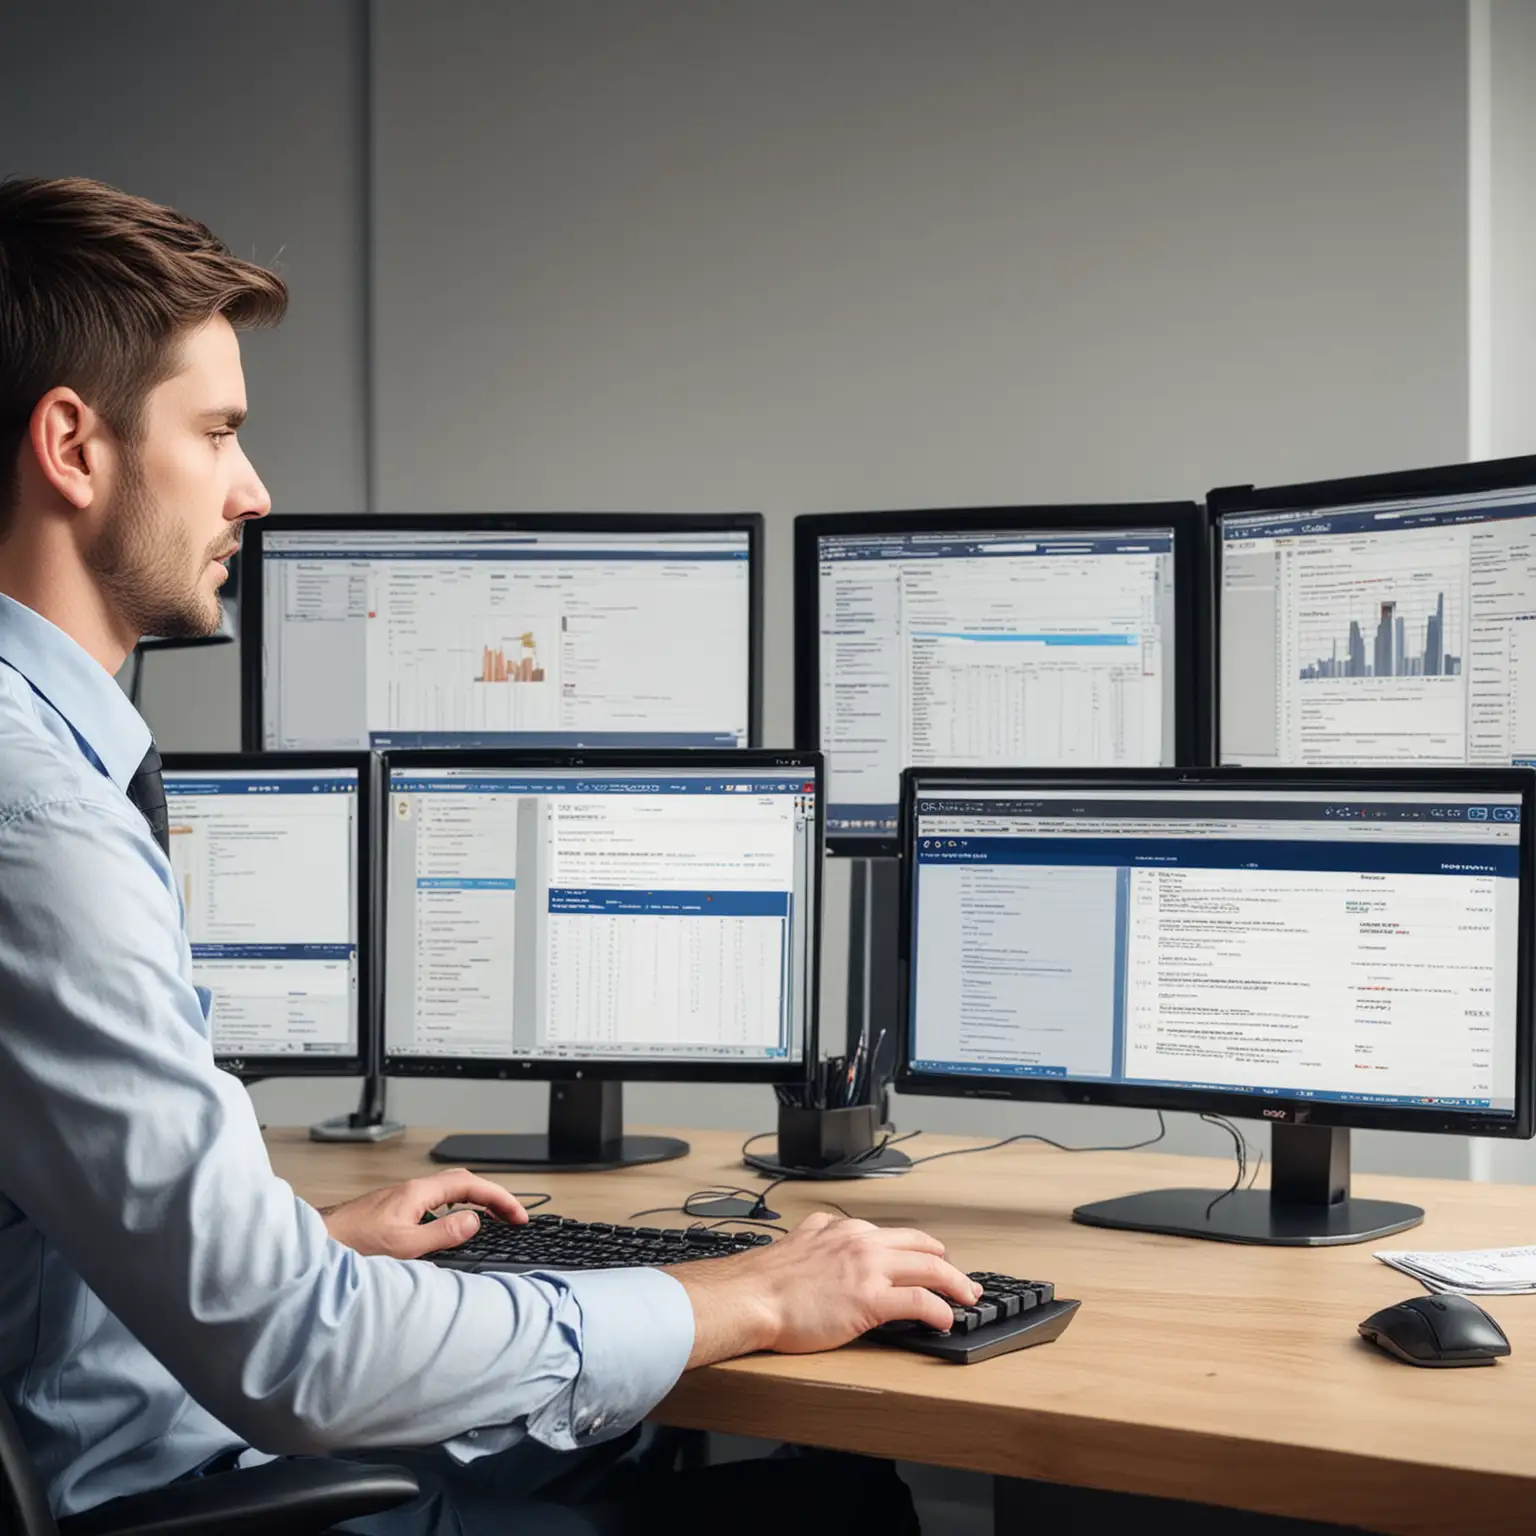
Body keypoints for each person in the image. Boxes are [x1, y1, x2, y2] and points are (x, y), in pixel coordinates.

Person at [0, 176, 977, 1535]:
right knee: (834, 1516)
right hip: (190, 1480)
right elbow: (305, 1362)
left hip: (174, 1404)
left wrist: (306, 1245)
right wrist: (744, 1293)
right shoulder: (41, 821)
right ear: (73, 447)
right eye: (217, 432)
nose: (254, 492)